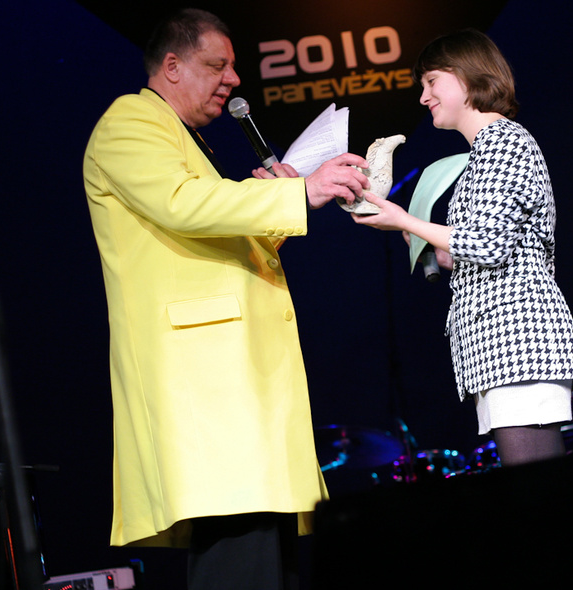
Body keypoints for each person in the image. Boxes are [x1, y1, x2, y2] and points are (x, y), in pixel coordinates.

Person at [83, 8, 369, 590]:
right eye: (217, 66)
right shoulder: (130, 120)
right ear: (172, 66)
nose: (233, 80)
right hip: (204, 385)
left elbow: (205, 235)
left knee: (266, 556)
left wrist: (275, 208)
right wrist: (300, 193)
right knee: (239, 554)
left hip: (236, 384)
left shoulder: (181, 137)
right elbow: (183, 204)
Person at [353, 29, 573, 467]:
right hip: (502, 348)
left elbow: (487, 244)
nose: (423, 97)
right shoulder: (485, 152)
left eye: (431, 82)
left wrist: (404, 219)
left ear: (466, 76)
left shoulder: (503, 141)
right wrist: (428, 243)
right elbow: (485, 246)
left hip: (520, 342)